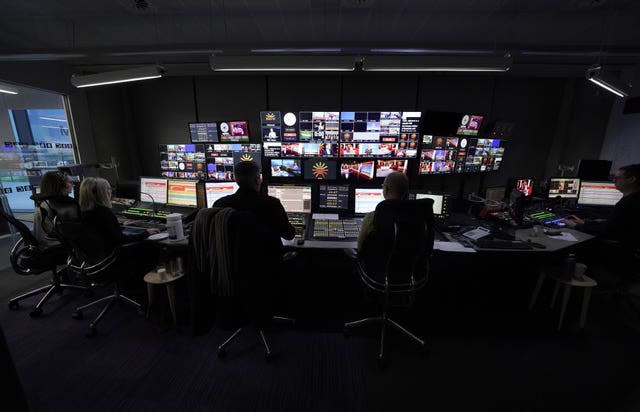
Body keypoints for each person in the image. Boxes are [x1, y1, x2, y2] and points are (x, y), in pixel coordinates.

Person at [213, 161, 295, 250]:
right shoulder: (272, 204)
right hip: (269, 261)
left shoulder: (219, 204)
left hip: (232, 262)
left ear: (236, 179)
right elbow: (289, 235)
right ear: (257, 179)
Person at [563, 164, 640, 248]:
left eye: (617, 178)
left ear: (631, 179)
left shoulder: (628, 203)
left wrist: (575, 226)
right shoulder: (634, 198)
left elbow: (608, 232)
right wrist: (584, 222)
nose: (613, 181)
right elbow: (612, 225)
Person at [79, 177, 158, 258]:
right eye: (108, 189)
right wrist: (145, 233)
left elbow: (105, 233)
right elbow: (120, 240)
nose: (111, 192)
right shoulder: (104, 213)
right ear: (101, 193)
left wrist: (118, 226)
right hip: (115, 259)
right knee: (153, 245)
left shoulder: (83, 212)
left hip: (97, 259)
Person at [357, 172, 409, 251]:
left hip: (377, 262)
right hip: (410, 263)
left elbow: (360, 247)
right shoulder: (416, 215)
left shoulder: (372, 217)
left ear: (386, 190)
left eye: (383, 186)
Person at [33, 171, 73, 248]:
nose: (73, 185)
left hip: (43, 245)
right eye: (70, 182)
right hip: (56, 246)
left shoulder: (43, 202)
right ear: (61, 185)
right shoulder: (56, 205)